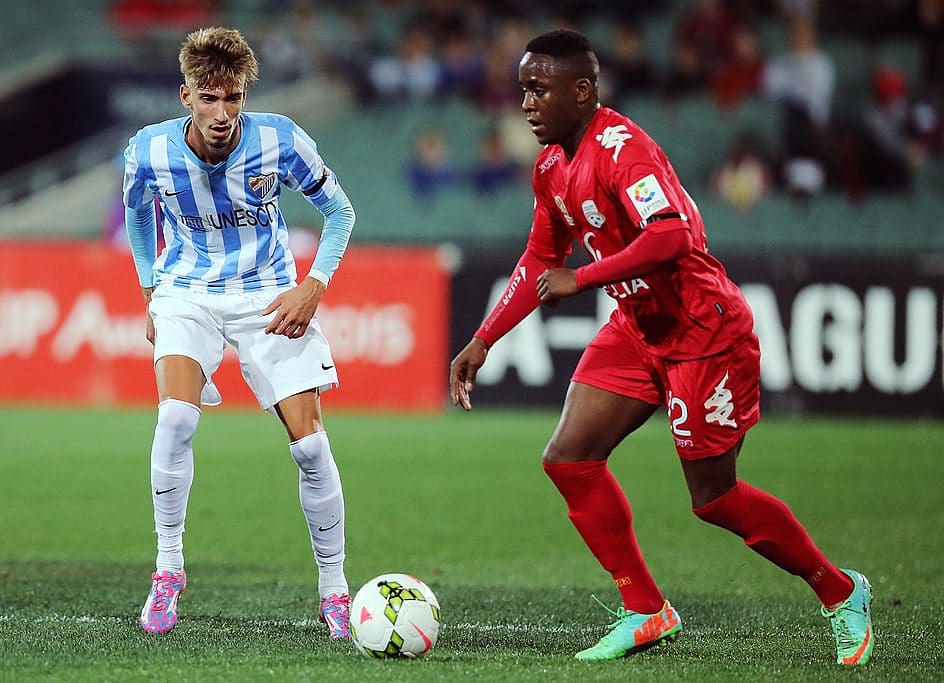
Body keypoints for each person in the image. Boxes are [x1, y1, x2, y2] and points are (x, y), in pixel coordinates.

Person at [449, 29, 873, 666]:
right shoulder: (550, 166)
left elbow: (670, 236)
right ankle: (646, 610)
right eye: (523, 91)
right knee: (569, 459)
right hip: (637, 325)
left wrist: (584, 278)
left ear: (582, 91)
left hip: (702, 330)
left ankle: (841, 592)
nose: (528, 103)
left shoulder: (623, 149)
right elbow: (540, 256)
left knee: (715, 499)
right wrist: (483, 339)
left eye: (539, 89)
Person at [122, 27, 355, 639]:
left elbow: (340, 211)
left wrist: (314, 285)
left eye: (233, 98)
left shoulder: (280, 139)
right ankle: (168, 570)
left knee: (310, 447)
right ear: (185, 97)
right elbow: (137, 216)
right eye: (209, 98)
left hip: (268, 294)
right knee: (175, 418)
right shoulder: (148, 150)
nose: (222, 113)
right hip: (187, 291)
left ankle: (334, 588)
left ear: (244, 96)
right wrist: (152, 293)